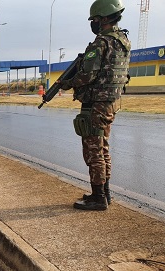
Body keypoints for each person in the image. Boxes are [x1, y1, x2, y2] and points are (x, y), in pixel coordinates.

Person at [59, 0, 130, 210]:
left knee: (93, 150)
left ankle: (98, 198)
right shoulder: (123, 41)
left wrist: (68, 83)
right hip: (111, 101)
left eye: (96, 20)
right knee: (103, 146)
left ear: (105, 18)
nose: (94, 24)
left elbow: (87, 75)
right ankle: (105, 193)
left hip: (96, 102)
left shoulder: (101, 43)